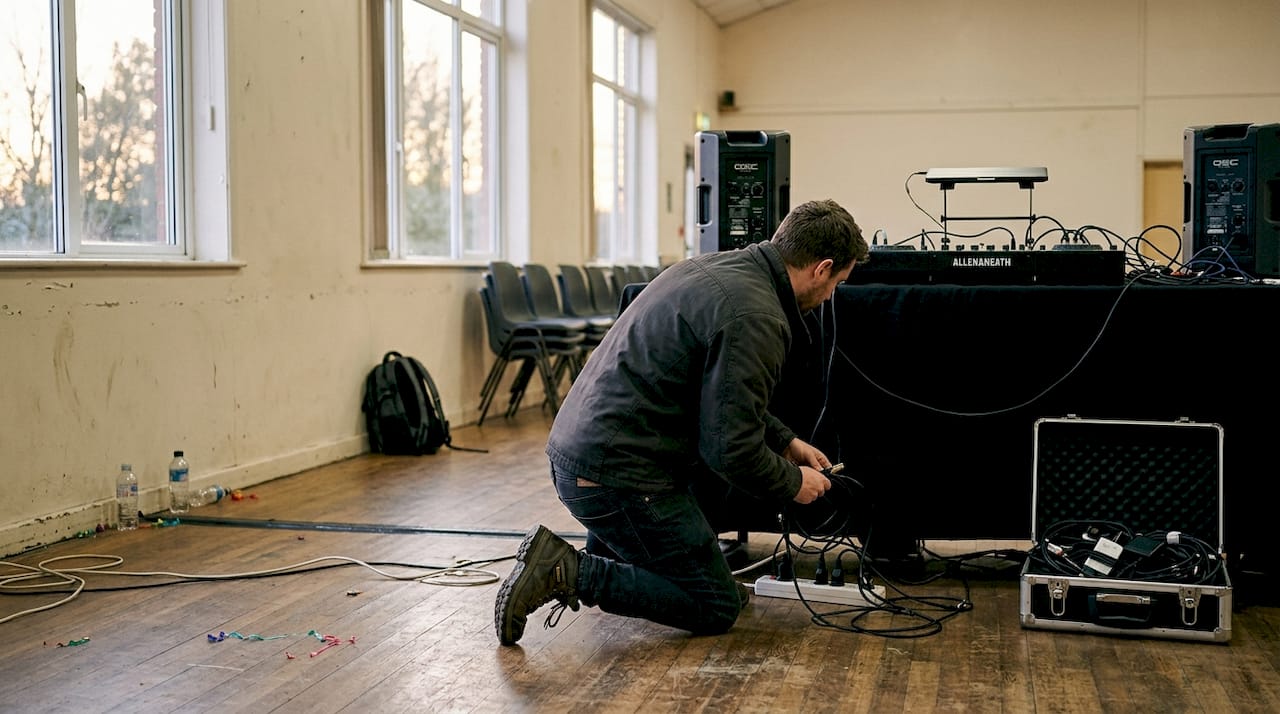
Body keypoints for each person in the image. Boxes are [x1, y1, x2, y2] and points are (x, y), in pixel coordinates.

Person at [495, 198, 869, 646]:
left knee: (691, 575)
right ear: (822, 268)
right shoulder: (758, 316)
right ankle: (568, 572)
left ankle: (601, 556)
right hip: (615, 476)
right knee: (715, 603)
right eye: (837, 284)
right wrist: (793, 482)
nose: (830, 297)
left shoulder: (720, 269)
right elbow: (728, 448)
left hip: (584, 456)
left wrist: (786, 440)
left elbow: (718, 394)